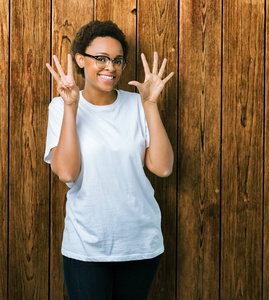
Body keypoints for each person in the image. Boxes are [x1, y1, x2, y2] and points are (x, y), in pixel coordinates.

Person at [44, 20, 174, 300]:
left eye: (117, 60)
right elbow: (66, 172)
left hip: (140, 243)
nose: (110, 67)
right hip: (86, 246)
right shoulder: (60, 107)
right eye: (101, 58)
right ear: (80, 59)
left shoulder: (138, 104)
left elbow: (162, 167)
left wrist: (150, 104)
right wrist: (70, 106)